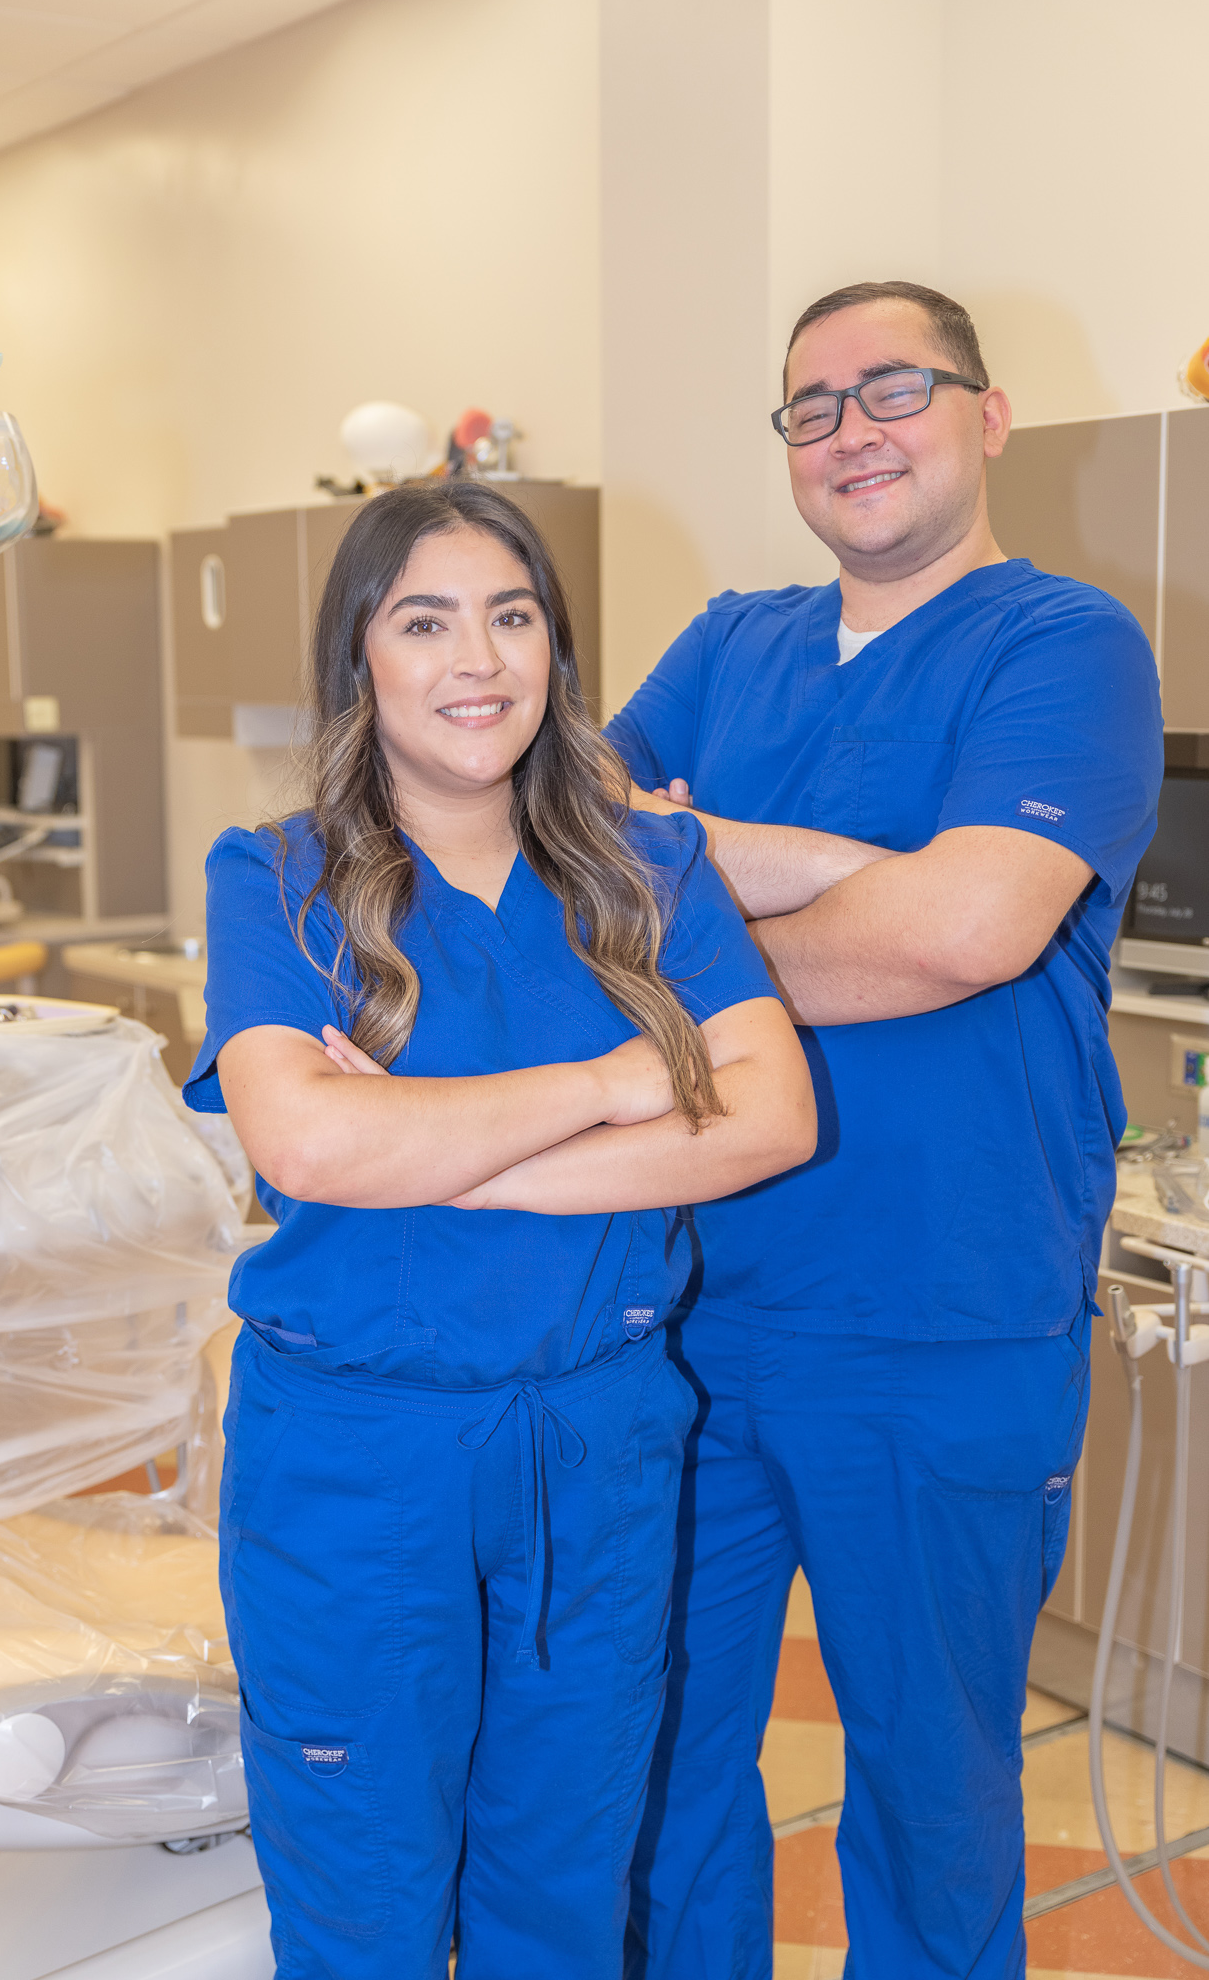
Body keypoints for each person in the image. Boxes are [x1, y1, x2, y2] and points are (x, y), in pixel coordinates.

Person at [181, 481, 815, 1980]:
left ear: (556, 651)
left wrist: (446, 1155)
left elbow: (774, 1115)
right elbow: (309, 1138)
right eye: (425, 620)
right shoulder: (277, 878)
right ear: (362, 658)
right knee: (365, 1905)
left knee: (565, 1893)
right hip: (356, 1463)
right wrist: (616, 1085)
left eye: (512, 617)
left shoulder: (645, 872)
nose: (478, 660)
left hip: (594, 1446)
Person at [608, 280, 1164, 1979]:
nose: (850, 430)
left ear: (986, 417)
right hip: (688, 1305)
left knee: (927, 1794)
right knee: (651, 1768)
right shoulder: (727, 638)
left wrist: (697, 880)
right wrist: (872, 878)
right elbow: (564, 862)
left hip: (939, 1314)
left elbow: (966, 936)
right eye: (809, 405)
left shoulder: (1062, 646)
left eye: (892, 389)